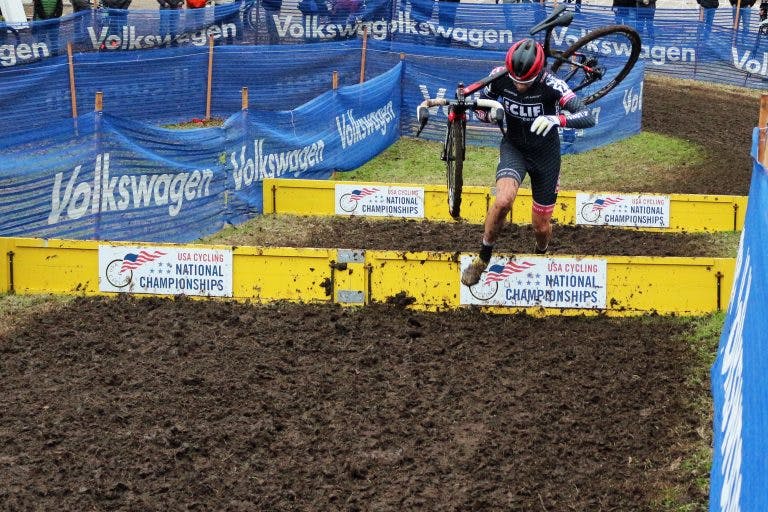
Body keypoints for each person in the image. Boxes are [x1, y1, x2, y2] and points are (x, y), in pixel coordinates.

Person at [461, 38, 596, 287]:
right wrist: (489, 114)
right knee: (503, 201)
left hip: (546, 154)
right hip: (514, 147)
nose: (518, 85)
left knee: (541, 227)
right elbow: (477, 106)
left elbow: (587, 116)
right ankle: (482, 259)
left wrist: (558, 120)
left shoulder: (552, 84)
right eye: (515, 80)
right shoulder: (499, 76)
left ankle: (540, 254)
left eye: (525, 82)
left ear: (538, 74)